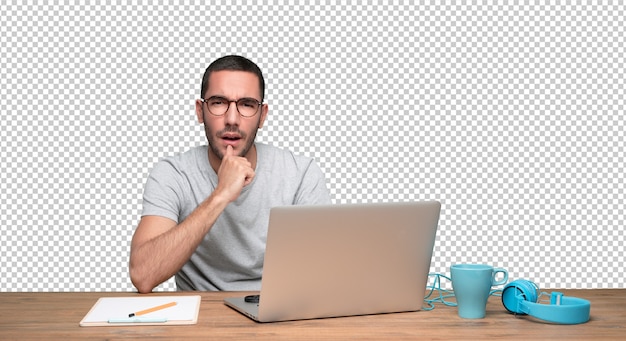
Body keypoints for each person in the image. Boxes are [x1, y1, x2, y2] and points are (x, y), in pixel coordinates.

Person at [129, 55, 332, 293]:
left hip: (276, 312)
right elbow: (143, 275)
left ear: (262, 115)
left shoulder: (301, 174)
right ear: (200, 111)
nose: (232, 119)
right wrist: (221, 194)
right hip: (198, 316)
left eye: (247, 104)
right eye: (218, 102)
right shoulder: (172, 174)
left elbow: (323, 272)